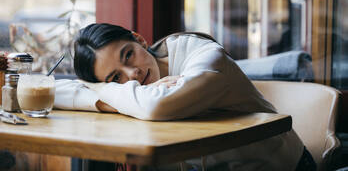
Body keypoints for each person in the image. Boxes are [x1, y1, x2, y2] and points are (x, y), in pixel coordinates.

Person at [55, 23, 316, 171]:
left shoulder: (205, 56)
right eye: (115, 78)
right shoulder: (138, 90)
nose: (132, 74)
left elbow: (156, 105)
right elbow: (57, 90)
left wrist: (102, 88)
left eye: (128, 55)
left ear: (140, 39)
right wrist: (102, 93)